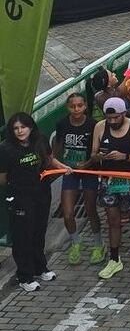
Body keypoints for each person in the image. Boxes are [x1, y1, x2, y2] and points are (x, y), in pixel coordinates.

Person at [1, 113, 69, 292]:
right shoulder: (6, 149)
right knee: (23, 235)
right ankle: (24, 275)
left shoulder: (41, 140)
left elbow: (50, 159)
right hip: (20, 197)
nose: (20, 131)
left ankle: (40, 268)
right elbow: (3, 178)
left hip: (42, 194)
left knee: (39, 232)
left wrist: (63, 167)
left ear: (30, 127)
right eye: (16, 128)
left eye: (23, 127)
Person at [90, 97, 130, 279]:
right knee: (112, 221)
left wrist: (124, 156)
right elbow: (93, 155)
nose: (112, 121)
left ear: (124, 114)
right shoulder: (100, 127)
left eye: (116, 118)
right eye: (109, 118)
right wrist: (101, 156)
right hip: (109, 180)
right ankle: (114, 259)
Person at [52, 93, 105, 266]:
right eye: (72, 106)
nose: (76, 109)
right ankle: (75, 242)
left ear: (85, 106)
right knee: (68, 213)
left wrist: (87, 164)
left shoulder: (93, 125)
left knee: (91, 209)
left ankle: (98, 244)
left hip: (89, 171)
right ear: (67, 107)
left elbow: (97, 152)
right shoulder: (62, 123)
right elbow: (58, 146)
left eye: (79, 105)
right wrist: (59, 164)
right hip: (70, 172)